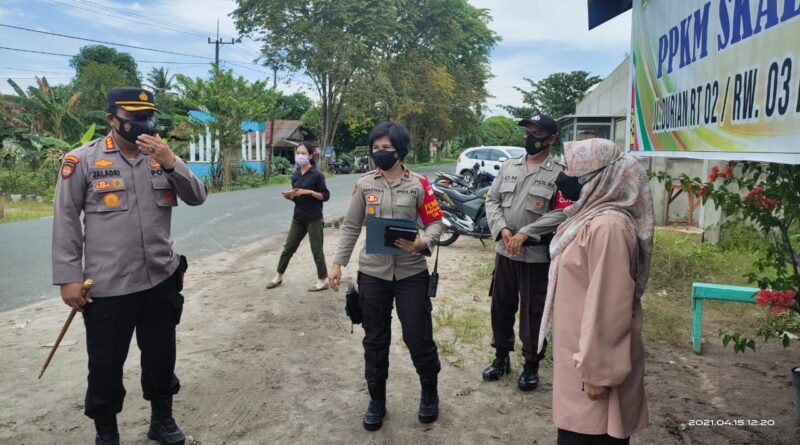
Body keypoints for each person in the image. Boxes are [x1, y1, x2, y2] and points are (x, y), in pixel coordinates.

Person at [52, 87, 207, 445]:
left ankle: (162, 420)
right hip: (108, 287)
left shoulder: (161, 157)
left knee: (161, 357)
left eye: (148, 117)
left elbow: (197, 196)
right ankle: (106, 431)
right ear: (111, 119)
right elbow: (66, 220)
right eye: (134, 117)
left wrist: (171, 161)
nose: (143, 124)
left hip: (160, 279)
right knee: (105, 365)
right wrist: (68, 278)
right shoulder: (82, 161)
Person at [328, 121, 443, 431]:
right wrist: (338, 263)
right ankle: (376, 399)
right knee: (375, 339)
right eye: (376, 148)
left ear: (400, 150)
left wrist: (423, 242)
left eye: (386, 148)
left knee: (418, 336)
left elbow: (435, 222)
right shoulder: (365, 184)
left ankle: (429, 391)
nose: (380, 152)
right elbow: (351, 225)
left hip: (411, 273)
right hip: (373, 274)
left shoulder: (419, 184)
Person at [537, 138, 654, 444]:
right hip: (580, 358)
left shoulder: (608, 227)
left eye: (571, 170)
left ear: (598, 178)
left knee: (591, 434)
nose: (563, 177)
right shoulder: (590, 219)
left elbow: (609, 307)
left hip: (593, 373)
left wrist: (598, 374)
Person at [482, 114, 571, 391]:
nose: (531, 137)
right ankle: (501, 358)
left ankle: (531, 364)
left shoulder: (561, 172)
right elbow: (492, 200)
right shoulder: (509, 166)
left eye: (538, 133)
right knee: (501, 306)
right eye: (528, 132)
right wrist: (502, 229)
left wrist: (526, 232)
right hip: (505, 251)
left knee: (533, 311)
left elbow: (563, 212)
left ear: (552, 138)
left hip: (535, 256)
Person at [267, 142, 330, 291]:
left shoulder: (317, 175)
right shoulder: (295, 176)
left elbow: (325, 196)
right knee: (288, 248)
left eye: (303, 153)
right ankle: (278, 276)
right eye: (298, 153)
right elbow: (298, 198)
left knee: (317, 250)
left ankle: (323, 280)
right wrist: (290, 196)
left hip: (314, 218)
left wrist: (310, 192)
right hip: (299, 218)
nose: (300, 155)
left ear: (310, 156)